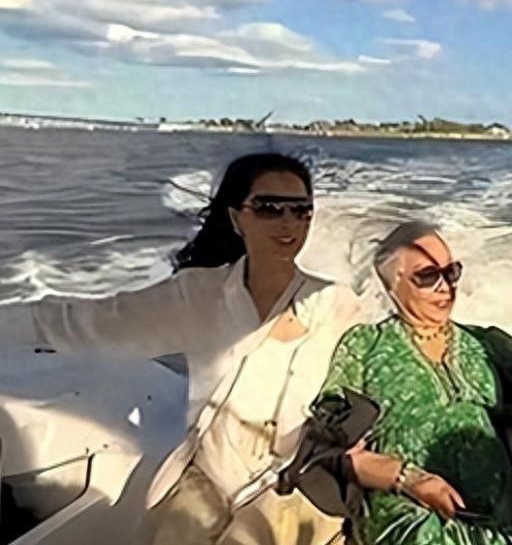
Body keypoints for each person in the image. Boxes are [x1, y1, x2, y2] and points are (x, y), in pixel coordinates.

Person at [0, 153, 362, 544]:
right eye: (269, 208)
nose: (288, 221)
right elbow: (84, 322)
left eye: (301, 210)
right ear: (237, 218)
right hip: (209, 480)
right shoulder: (197, 296)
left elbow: (383, 367)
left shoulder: (337, 305)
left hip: (299, 485)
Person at [318, 221, 512, 545]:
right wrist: (410, 479)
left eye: (451, 272)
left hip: (493, 512)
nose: (445, 287)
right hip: (407, 509)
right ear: (393, 284)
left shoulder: (487, 343)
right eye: (428, 276)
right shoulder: (365, 345)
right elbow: (327, 448)